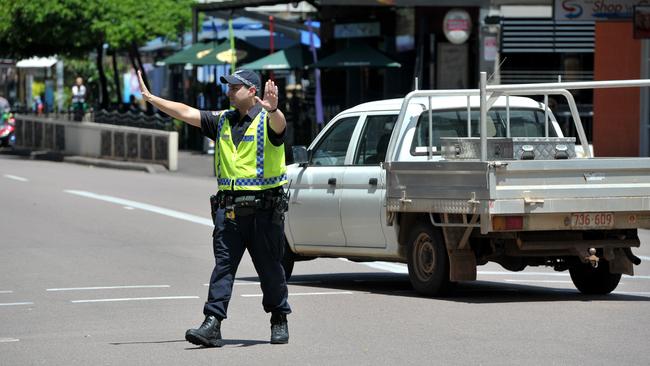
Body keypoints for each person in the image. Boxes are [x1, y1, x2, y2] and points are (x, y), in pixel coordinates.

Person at [137, 69, 291, 347]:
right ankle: (213, 323)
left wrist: (274, 109)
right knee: (223, 268)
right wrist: (152, 98)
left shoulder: (267, 120)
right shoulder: (222, 120)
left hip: (264, 213)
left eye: (235, 88)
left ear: (252, 91)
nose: (229, 91)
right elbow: (186, 112)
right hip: (229, 211)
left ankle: (279, 317)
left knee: (270, 270)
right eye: (229, 87)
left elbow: (280, 127)